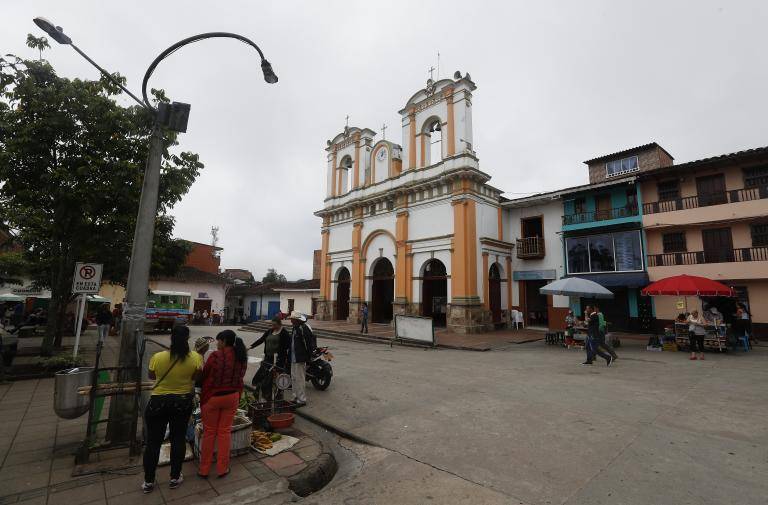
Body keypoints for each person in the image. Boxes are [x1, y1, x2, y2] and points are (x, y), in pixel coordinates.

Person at [143, 325, 202, 494]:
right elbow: (196, 377)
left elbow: (152, 376)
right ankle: (175, 477)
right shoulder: (195, 358)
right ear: (187, 339)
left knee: (153, 442)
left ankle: (148, 481)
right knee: (178, 439)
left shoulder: (158, 357)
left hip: (158, 402)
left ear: (171, 337)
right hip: (181, 403)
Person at [198, 330, 248, 479]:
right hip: (232, 397)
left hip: (213, 397)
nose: (217, 344)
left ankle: (204, 469)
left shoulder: (215, 356)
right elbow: (241, 376)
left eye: (218, 341)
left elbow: (204, 375)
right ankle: (222, 468)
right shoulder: (241, 356)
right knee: (224, 432)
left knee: (209, 433)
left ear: (224, 341)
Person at [250, 317, 290, 400]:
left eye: (274, 325)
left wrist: (282, 356)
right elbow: (261, 340)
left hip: (278, 359)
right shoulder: (270, 331)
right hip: (268, 357)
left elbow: (287, 345)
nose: (273, 326)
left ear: (279, 324)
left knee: (276, 376)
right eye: (272, 325)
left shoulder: (284, 333)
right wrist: (251, 346)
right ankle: (265, 392)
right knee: (264, 374)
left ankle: (278, 393)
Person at [287, 311, 316, 406]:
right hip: (293, 358)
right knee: (294, 378)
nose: (291, 320)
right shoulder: (295, 328)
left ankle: (302, 399)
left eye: (292, 319)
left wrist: (309, 356)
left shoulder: (303, 328)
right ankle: (295, 396)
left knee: (300, 379)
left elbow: (308, 344)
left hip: (300, 358)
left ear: (297, 320)